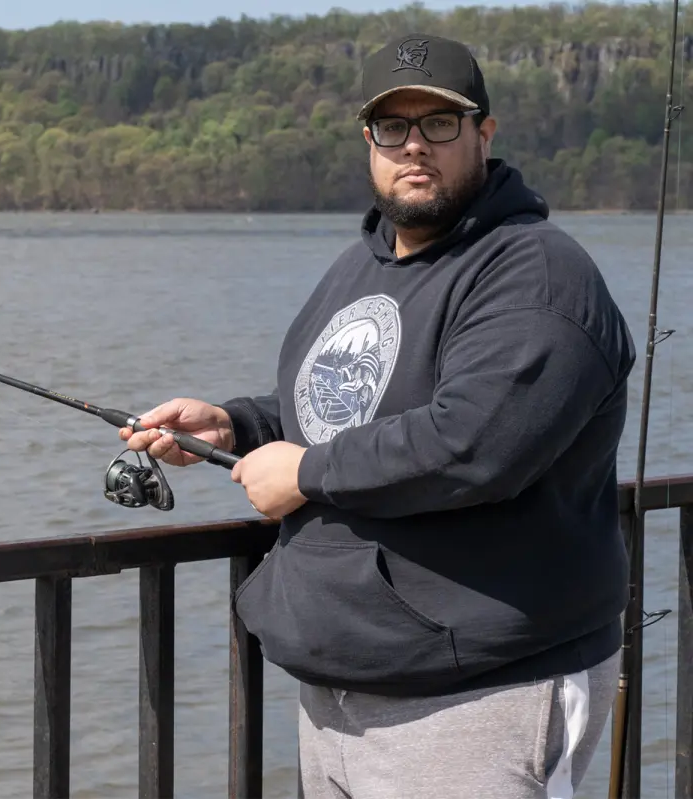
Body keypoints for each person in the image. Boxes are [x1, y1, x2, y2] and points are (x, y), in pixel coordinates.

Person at [121, 33, 635, 799]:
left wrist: (306, 471)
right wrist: (240, 426)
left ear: (484, 135)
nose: (413, 146)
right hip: (339, 686)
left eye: (439, 124)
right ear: (369, 140)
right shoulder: (363, 263)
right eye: (392, 127)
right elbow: (347, 408)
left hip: (478, 695)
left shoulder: (538, 275)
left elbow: (473, 444)